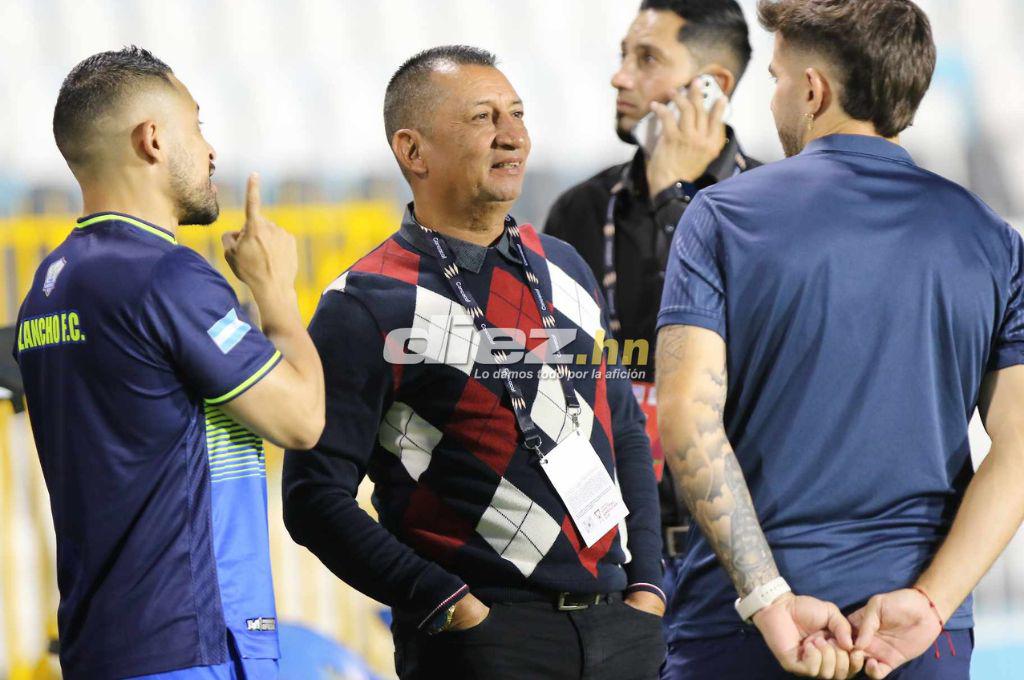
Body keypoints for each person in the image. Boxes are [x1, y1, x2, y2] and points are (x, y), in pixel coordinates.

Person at [655, 1, 1024, 678]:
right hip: (919, 643)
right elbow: (1022, 443)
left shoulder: (720, 218)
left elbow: (684, 416)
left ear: (814, 90)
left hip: (745, 630)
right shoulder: (993, 242)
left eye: (775, 79)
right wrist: (930, 605)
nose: (773, 100)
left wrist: (769, 600)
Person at [282, 45, 666, 680]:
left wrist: (647, 585)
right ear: (413, 151)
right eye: (483, 118)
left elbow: (622, 428)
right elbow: (313, 496)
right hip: (486, 639)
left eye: (516, 113)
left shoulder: (565, 266)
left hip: (620, 626)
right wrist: (448, 604)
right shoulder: (366, 303)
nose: (512, 135)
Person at [15, 47, 325, 680]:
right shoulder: (165, 274)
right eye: (197, 125)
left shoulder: (51, 283)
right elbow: (301, 419)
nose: (210, 150)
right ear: (152, 139)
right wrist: (275, 295)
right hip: (190, 641)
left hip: (99, 643)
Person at [543, 0, 761, 566]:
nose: (620, 77)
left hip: (741, 550)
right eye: (623, 57)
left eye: (647, 59)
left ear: (711, 85)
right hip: (615, 553)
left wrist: (673, 200)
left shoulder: (773, 206)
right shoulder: (579, 211)